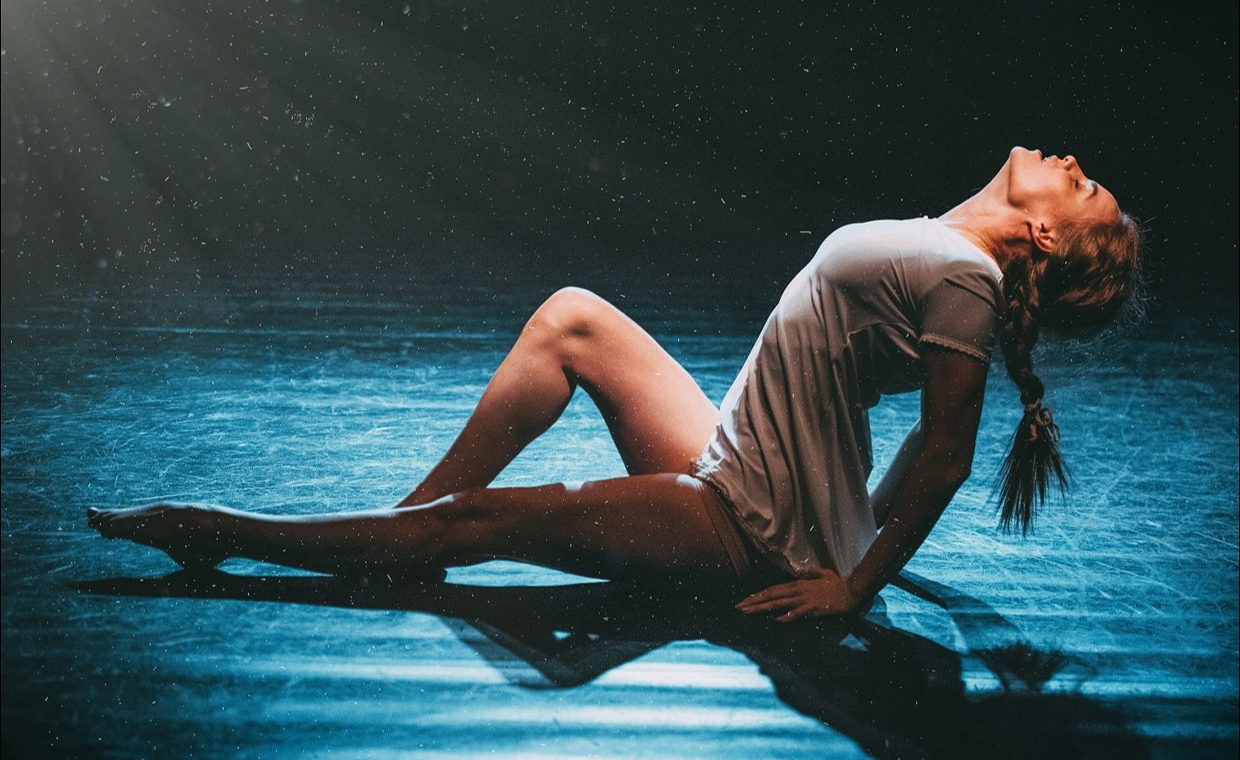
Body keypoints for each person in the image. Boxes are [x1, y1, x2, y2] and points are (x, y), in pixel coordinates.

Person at [87, 147, 1142, 622]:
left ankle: (218, 530)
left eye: (1083, 185)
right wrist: (857, 521)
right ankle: (397, 531)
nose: (1071, 161)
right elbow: (920, 445)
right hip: (737, 464)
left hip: (746, 524)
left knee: (479, 525)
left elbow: (947, 452)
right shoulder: (950, 257)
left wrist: (850, 582)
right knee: (574, 317)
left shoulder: (963, 277)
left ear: (1046, 235)